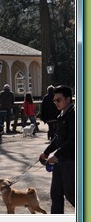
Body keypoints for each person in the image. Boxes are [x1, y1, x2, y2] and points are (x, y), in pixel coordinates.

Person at [39, 85, 75, 214]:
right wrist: (47, 152)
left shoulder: (74, 114)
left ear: (68, 99)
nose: (55, 103)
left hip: (72, 161)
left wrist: (57, 155)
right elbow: (58, 138)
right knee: (56, 194)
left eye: (58, 100)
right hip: (61, 162)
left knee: (72, 195)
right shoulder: (61, 114)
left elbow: (73, 140)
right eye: (54, 100)